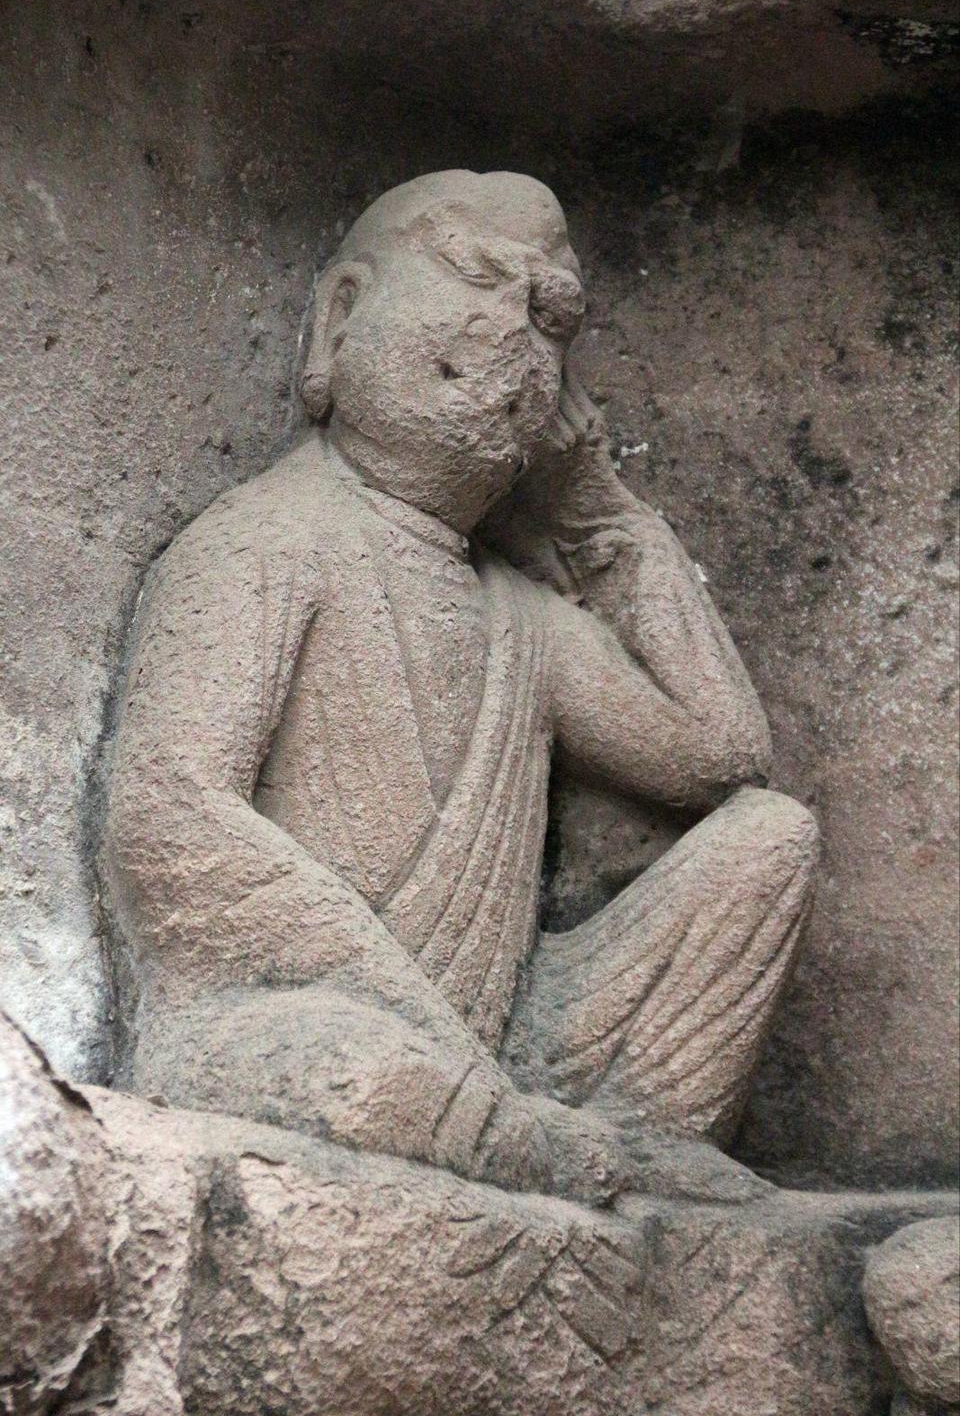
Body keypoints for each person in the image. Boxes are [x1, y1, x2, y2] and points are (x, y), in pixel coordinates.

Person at [104, 170, 818, 1205]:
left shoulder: (520, 616)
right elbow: (170, 814)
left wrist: (600, 512)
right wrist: (397, 1003)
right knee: (344, 1069)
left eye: (549, 313)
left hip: (503, 1040)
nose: (513, 330)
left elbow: (722, 757)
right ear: (340, 318)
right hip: (309, 1011)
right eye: (476, 275)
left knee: (770, 838)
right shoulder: (265, 539)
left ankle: (604, 1137)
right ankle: (534, 1145)